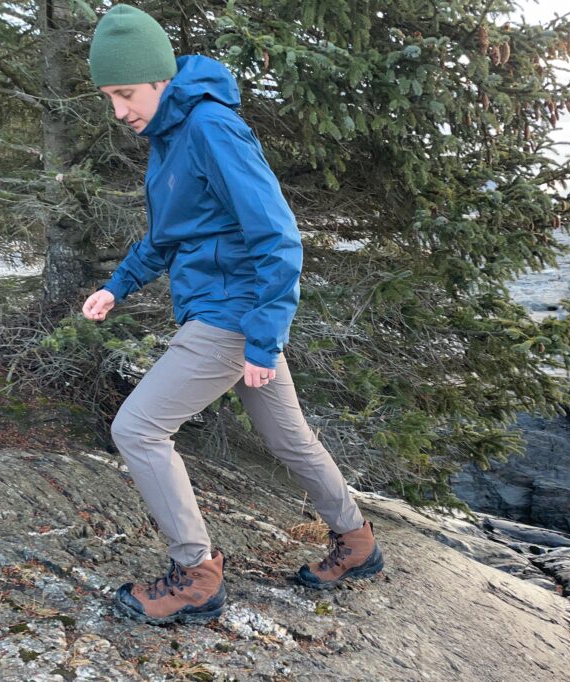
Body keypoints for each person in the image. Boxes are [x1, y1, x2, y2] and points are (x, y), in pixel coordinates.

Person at [82, 4, 384, 626]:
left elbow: (278, 237)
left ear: (160, 79)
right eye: (108, 97)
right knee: (287, 437)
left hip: (230, 317)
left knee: (137, 429)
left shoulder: (211, 128)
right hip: (229, 312)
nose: (118, 111)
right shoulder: (168, 136)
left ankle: (195, 576)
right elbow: (170, 235)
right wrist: (118, 286)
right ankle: (357, 543)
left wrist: (261, 341)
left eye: (125, 93)